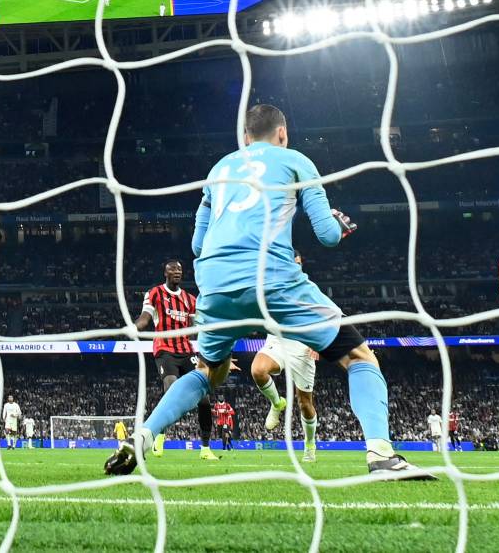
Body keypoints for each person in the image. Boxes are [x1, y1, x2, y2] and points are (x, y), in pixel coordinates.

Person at [105, 103, 434, 479]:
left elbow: (197, 245)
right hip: (273, 279)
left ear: (245, 138)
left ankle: (144, 435)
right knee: (359, 357)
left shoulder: (218, 170)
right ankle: (381, 454)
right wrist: (342, 226)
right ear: (283, 134)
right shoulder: (295, 160)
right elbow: (326, 235)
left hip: (214, 284)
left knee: (207, 372)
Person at [134, 260, 218, 461]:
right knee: (171, 387)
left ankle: (205, 448)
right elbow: (146, 317)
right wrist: (135, 326)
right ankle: (159, 435)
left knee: (204, 398)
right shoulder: (155, 293)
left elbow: (196, 326)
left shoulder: (190, 299)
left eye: (179, 270)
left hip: (186, 350)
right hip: (165, 349)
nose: (177, 272)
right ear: (166, 273)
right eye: (173, 269)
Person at [251, 250, 319, 462]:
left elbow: (323, 317)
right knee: (258, 370)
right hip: (277, 341)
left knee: (304, 404)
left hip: (302, 347)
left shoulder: (309, 290)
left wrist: (318, 344)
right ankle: (277, 403)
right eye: (292, 263)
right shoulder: (271, 286)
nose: (295, 266)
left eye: (298, 263)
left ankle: (309, 444)